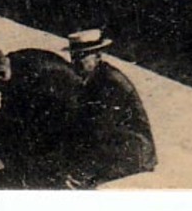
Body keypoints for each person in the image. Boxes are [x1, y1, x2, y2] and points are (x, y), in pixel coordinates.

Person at [0, 45, 86, 187]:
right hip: (54, 109)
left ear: (1, 75)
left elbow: (33, 116)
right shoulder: (11, 64)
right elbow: (9, 107)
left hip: (75, 117)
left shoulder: (36, 77)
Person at [65, 29, 157, 185]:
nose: (76, 62)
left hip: (133, 150)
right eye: (74, 57)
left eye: (82, 57)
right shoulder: (94, 76)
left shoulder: (110, 82)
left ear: (98, 56)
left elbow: (101, 127)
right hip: (117, 143)